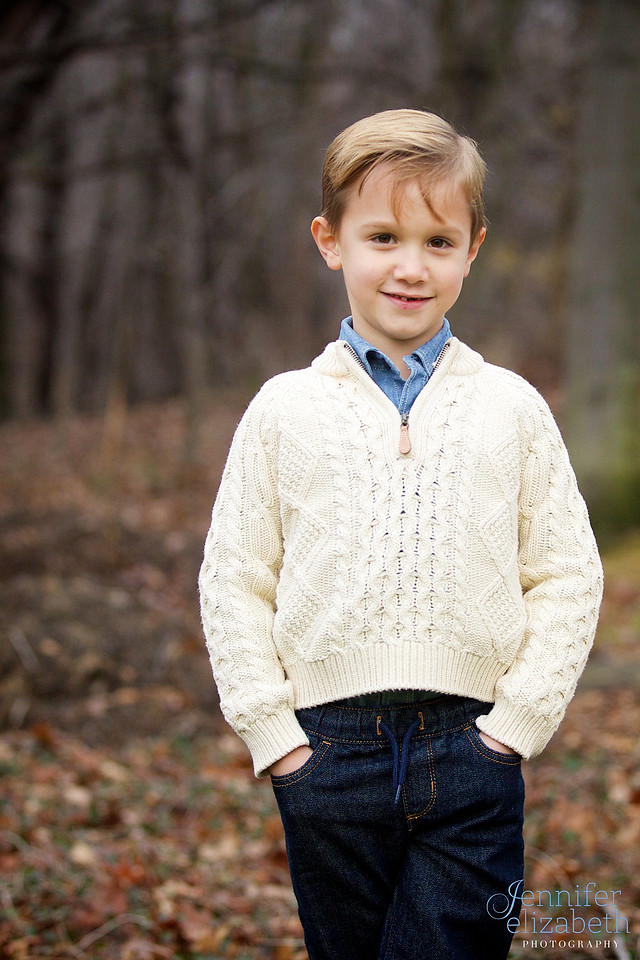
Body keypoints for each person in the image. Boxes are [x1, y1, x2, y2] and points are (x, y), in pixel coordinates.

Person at [199, 109, 603, 960]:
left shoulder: (512, 408)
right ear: (330, 240)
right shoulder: (284, 409)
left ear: (473, 249)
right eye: (382, 236)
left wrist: (514, 728)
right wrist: (277, 743)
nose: (410, 267)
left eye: (438, 241)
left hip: (472, 753)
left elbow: (567, 572)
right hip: (327, 759)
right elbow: (236, 578)